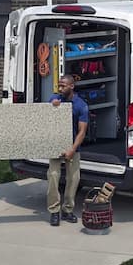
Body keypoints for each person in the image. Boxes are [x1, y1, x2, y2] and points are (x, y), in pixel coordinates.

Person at [47, 74, 89, 226]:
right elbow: (45, 119)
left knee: (73, 178)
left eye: (63, 85)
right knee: (53, 176)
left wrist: (72, 149)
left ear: (72, 86)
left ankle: (67, 210)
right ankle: (54, 211)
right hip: (56, 145)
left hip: (72, 146)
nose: (60, 88)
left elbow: (82, 131)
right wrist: (53, 107)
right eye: (59, 85)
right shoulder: (54, 100)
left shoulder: (81, 105)